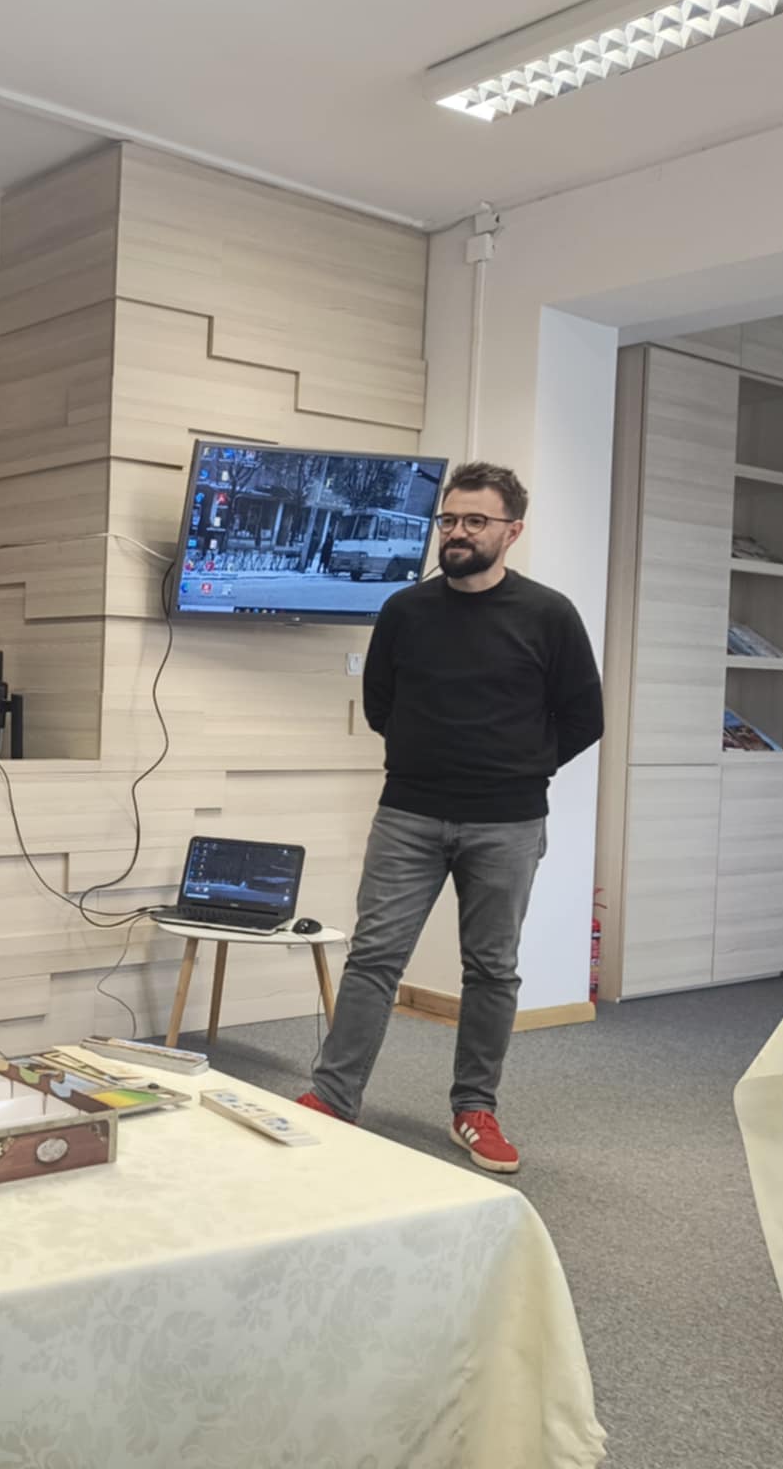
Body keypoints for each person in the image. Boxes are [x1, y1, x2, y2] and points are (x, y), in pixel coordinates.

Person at [298, 461, 602, 1174]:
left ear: (511, 532)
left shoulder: (549, 614)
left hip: (507, 822)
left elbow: (583, 716)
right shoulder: (406, 611)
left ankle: (475, 1108)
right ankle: (334, 1098)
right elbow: (381, 704)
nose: (458, 532)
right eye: (450, 519)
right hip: (409, 812)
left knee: (491, 969)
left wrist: (520, 766)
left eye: (475, 521)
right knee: (375, 958)